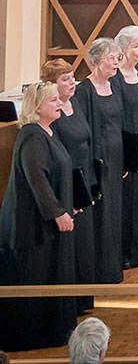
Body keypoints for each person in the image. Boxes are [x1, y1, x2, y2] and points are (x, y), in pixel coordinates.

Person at [0, 83, 77, 351]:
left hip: (44, 221)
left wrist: (70, 202)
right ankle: (35, 336)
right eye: (53, 100)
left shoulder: (48, 131)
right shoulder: (32, 136)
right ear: (36, 107)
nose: (59, 102)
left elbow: (57, 172)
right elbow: (37, 180)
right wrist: (57, 211)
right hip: (31, 226)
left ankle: (54, 331)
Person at [77, 37, 125, 283]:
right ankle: (99, 271)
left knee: (114, 214)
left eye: (117, 57)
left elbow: (121, 122)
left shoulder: (114, 84)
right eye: (111, 58)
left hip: (116, 160)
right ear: (96, 61)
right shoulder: (84, 90)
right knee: (101, 215)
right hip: (98, 162)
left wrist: (128, 159)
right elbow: (86, 132)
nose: (116, 62)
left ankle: (112, 268)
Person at [48, 58, 96, 307]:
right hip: (66, 182)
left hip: (84, 177)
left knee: (84, 243)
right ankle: (69, 302)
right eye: (65, 79)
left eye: (72, 77)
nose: (72, 83)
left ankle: (84, 299)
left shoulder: (75, 103)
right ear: (51, 85)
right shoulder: (51, 113)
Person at [114, 25, 138, 268]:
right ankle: (123, 254)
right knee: (125, 201)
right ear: (123, 49)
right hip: (125, 146)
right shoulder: (115, 77)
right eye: (136, 46)